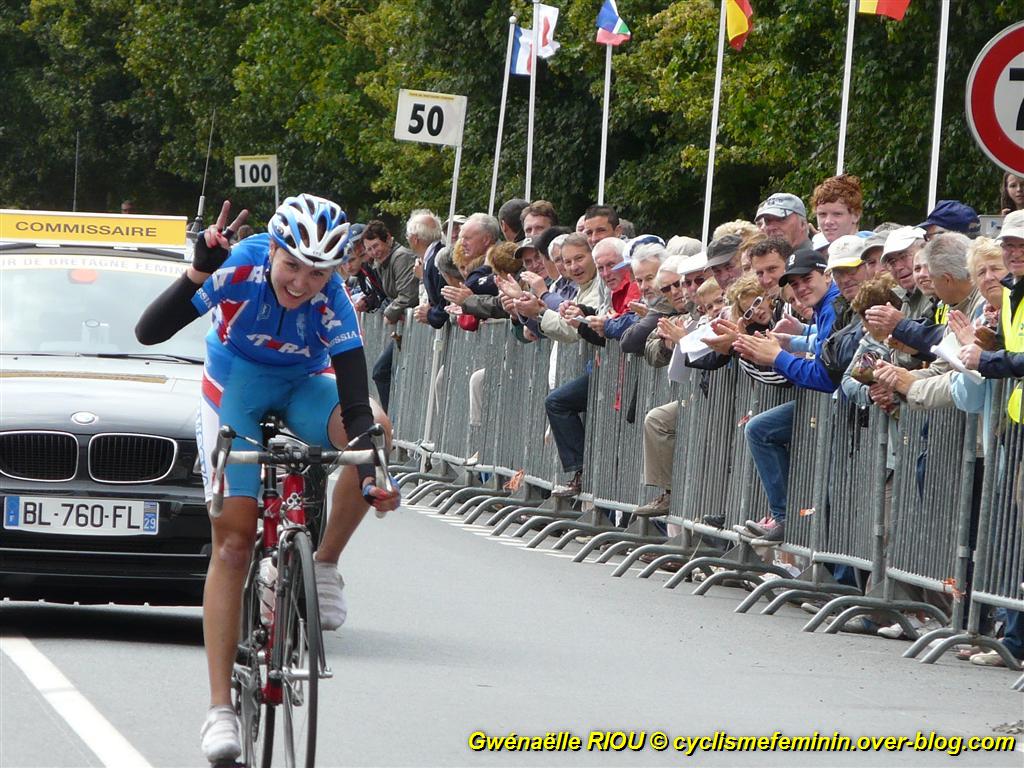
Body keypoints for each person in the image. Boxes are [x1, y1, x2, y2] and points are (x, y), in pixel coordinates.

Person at [135, 197, 400, 764]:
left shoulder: (332, 300)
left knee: (375, 429)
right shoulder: (240, 267)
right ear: (273, 250)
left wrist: (375, 469)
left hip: (306, 384)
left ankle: (323, 563)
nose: (303, 282)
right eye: (292, 265)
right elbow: (148, 332)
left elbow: (354, 400)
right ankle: (218, 710)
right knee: (232, 542)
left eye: (319, 272)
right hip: (237, 387)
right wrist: (198, 269)